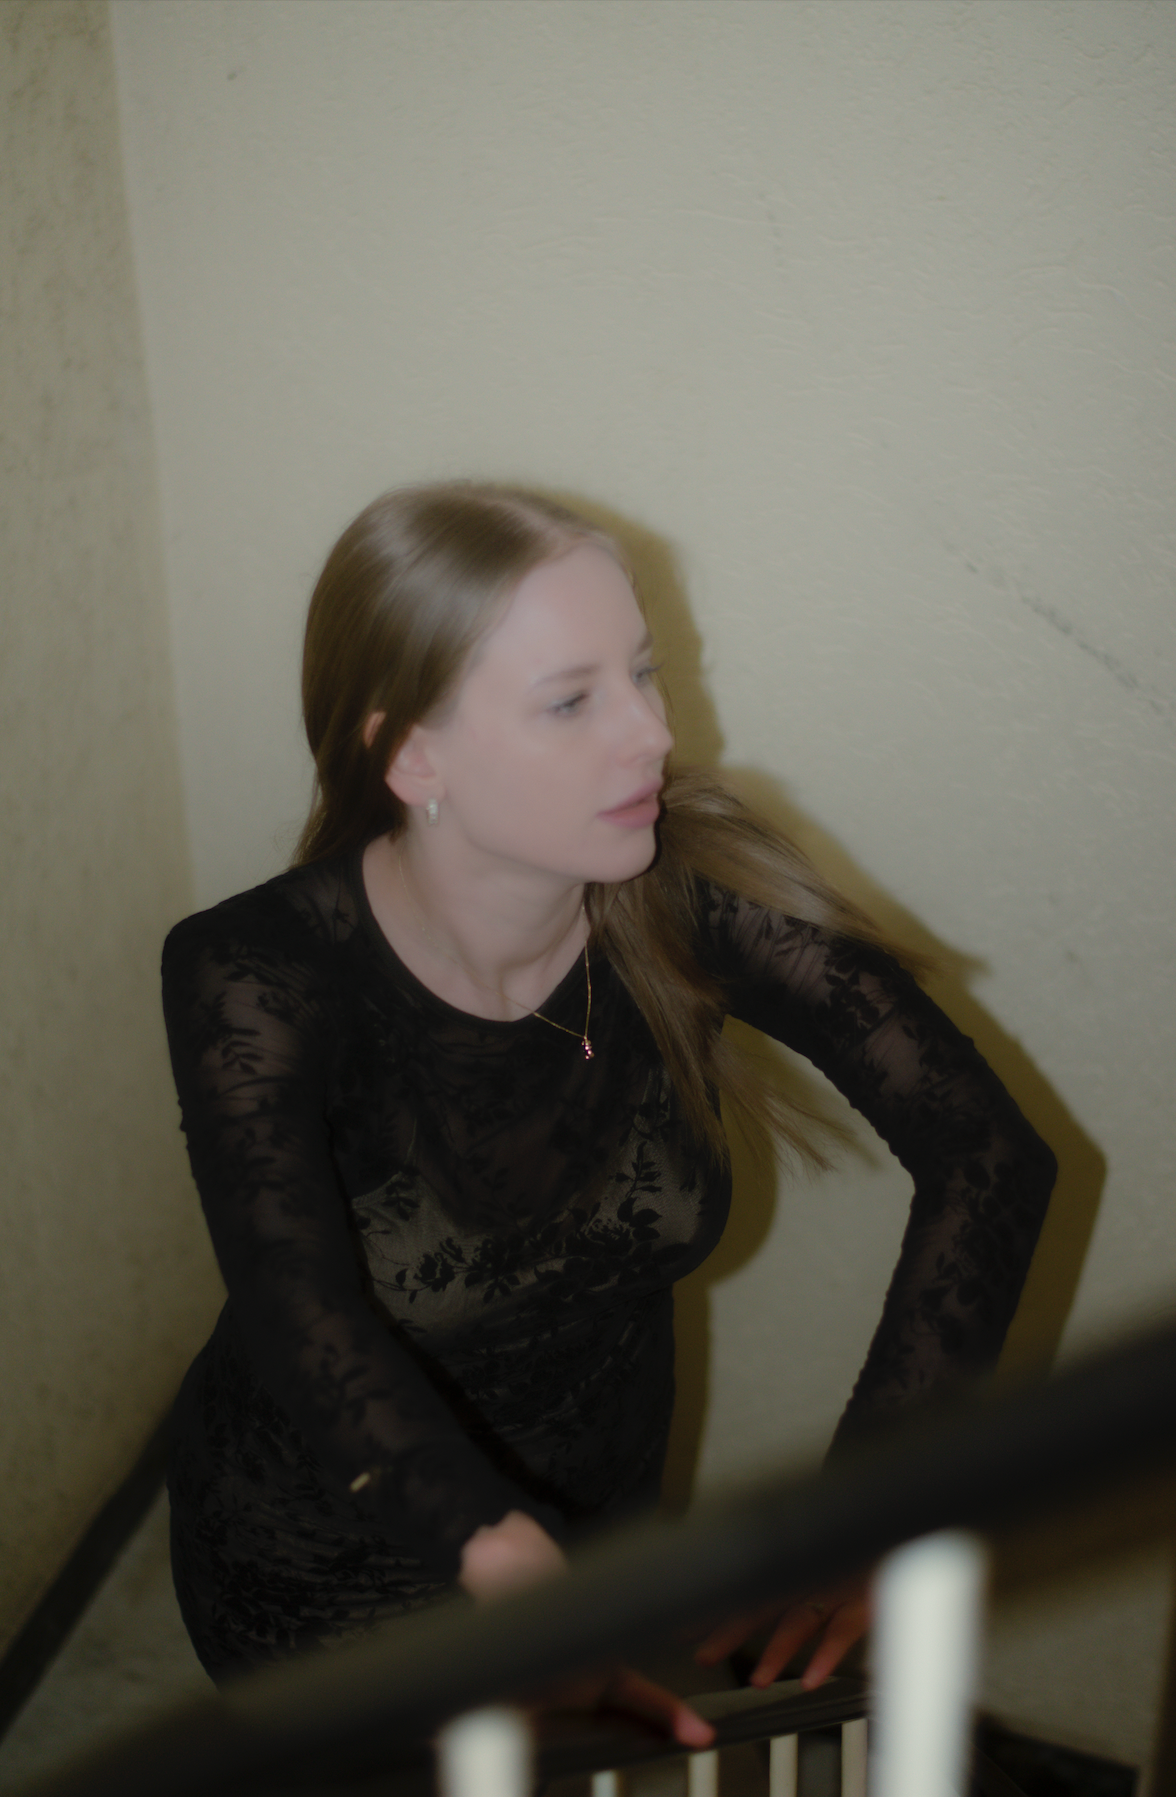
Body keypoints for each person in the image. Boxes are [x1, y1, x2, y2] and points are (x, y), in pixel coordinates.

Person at [161, 482, 1056, 1739]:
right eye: (572, 701)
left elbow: (987, 1152)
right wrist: (497, 1554)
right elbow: (296, 1310)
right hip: (326, 1570)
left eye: (643, 674)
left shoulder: (686, 890)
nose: (653, 735)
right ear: (413, 755)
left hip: (602, 1528)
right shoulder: (255, 971)